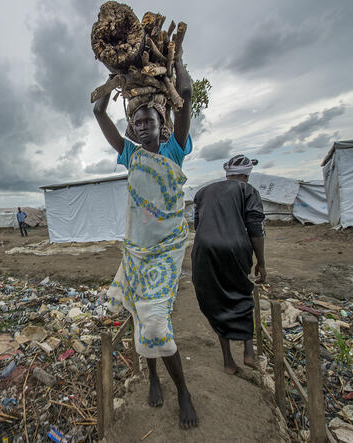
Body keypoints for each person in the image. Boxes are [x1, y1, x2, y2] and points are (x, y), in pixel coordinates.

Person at [93, 54, 198, 429]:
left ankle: (183, 391)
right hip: (136, 253)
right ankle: (153, 376)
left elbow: (184, 92)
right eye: (136, 122)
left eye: (148, 120)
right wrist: (111, 84)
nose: (141, 126)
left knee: (155, 324)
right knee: (142, 318)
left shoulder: (174, 150)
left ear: (161, 123)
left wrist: (178, 59)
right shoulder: (130, 155)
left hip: (165, 253)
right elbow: (99, 115)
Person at [191, 154, 266, 375]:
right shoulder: (248, 191)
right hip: (235, 247)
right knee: (242, 293)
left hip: (203, 249)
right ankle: (249, 353)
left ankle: (228, 362)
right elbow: (255, 227)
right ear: (247, 175)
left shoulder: (203, 192)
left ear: (227, 173)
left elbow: (197, 225)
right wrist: (261, 263)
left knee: (216, 299)